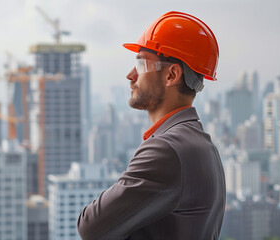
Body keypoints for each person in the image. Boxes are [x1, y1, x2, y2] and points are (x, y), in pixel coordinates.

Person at [77, 11, 226, 240]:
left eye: (141, 63)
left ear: (171, 75)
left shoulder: (167, 149)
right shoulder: (199, 143)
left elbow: (90, 226)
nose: (130, 75)